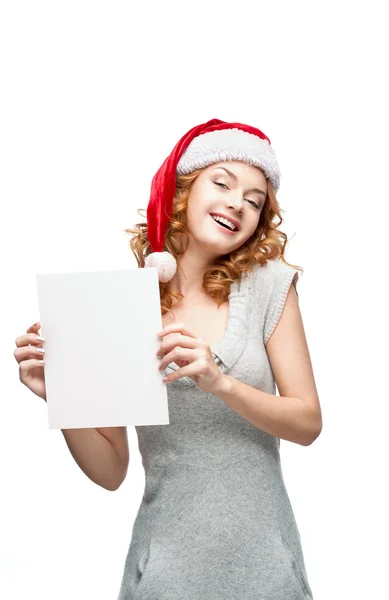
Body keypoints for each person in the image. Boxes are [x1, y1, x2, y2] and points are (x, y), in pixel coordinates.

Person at [14, 118, 322, 599]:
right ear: (183, 189)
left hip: (266, 569)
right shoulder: (121, 304)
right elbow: (111, 471)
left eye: (255, 201)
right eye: (221, 182)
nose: (238, 202)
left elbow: (307, 422)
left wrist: (221, 383)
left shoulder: (269, 285)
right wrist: (63, 396)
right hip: (164, 572)